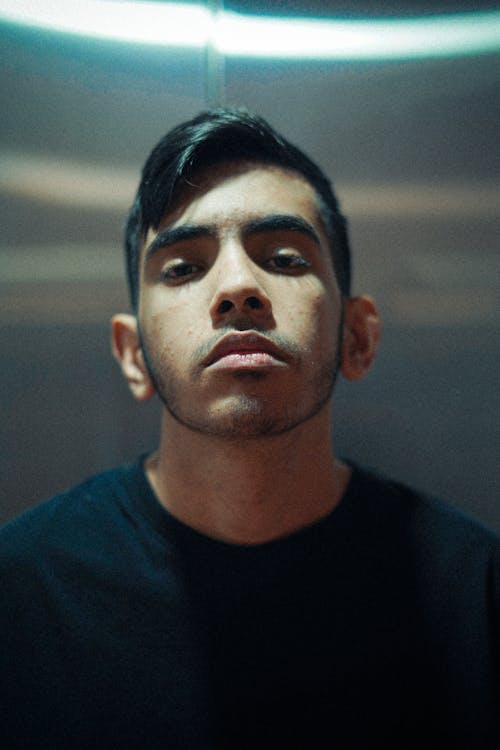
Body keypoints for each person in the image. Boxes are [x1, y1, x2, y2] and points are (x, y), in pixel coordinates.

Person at [1, 108, 499, 749]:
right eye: (182, 268)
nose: (238, 286)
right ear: (132, 354)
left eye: (284, 258)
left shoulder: (474, 596)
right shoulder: (22, 595)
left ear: (357, 335)